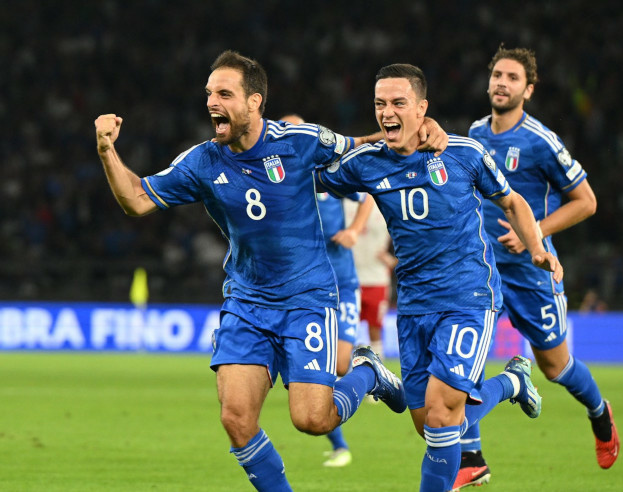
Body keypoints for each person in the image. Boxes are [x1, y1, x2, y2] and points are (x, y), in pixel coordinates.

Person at [94, 50, 447, 492]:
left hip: (307, 299)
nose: (212, 102)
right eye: (209, 93)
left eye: (224, 94)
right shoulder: (203, 161)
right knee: (236, 419)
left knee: (312, 420)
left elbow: (364, 144)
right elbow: (137, 199)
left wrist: (419, 128)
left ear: (255, 101)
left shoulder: (299, 141)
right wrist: (107, 150)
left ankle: (369, 373)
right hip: (247, 302)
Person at [316, 63, 562, 492]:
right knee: (428, 424)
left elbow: (513, 202)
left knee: (442, 414)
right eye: (379, 104)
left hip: (468, 296)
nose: (387, 112)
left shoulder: (463, 153)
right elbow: (309, 176)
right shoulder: (367, 164)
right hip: (414, 304)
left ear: (422, 108)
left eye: (399, 103)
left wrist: (537, 248)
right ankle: (511, 382)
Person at [459, 46, 621, 489]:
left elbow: (586, 201)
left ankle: (599, 412)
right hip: (482, 269)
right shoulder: (475, 133)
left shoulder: (540, 141)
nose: (501, 83)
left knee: (556, 366)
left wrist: (533, 234)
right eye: (497, 75)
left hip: (530, 271)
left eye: (512, 77)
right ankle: (471, 457)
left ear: (528, 90)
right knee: (466, 361)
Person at [280, 113, 373, 468]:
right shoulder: (281, 182)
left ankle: (370, 372)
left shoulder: (326, 173)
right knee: (304, 371)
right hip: (303, 290)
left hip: (342, 282)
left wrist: (354, 231)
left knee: (340, 363)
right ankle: (340, 445)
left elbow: (366, 195)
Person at [345, 198, 397, 360]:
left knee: (375, 328)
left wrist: (392, 260)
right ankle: (343, 368)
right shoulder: (344, 200)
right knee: (345, 329)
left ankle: (378, 368)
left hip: (377, 278)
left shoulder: (386, 203)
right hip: (348, 277)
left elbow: (409, 242)